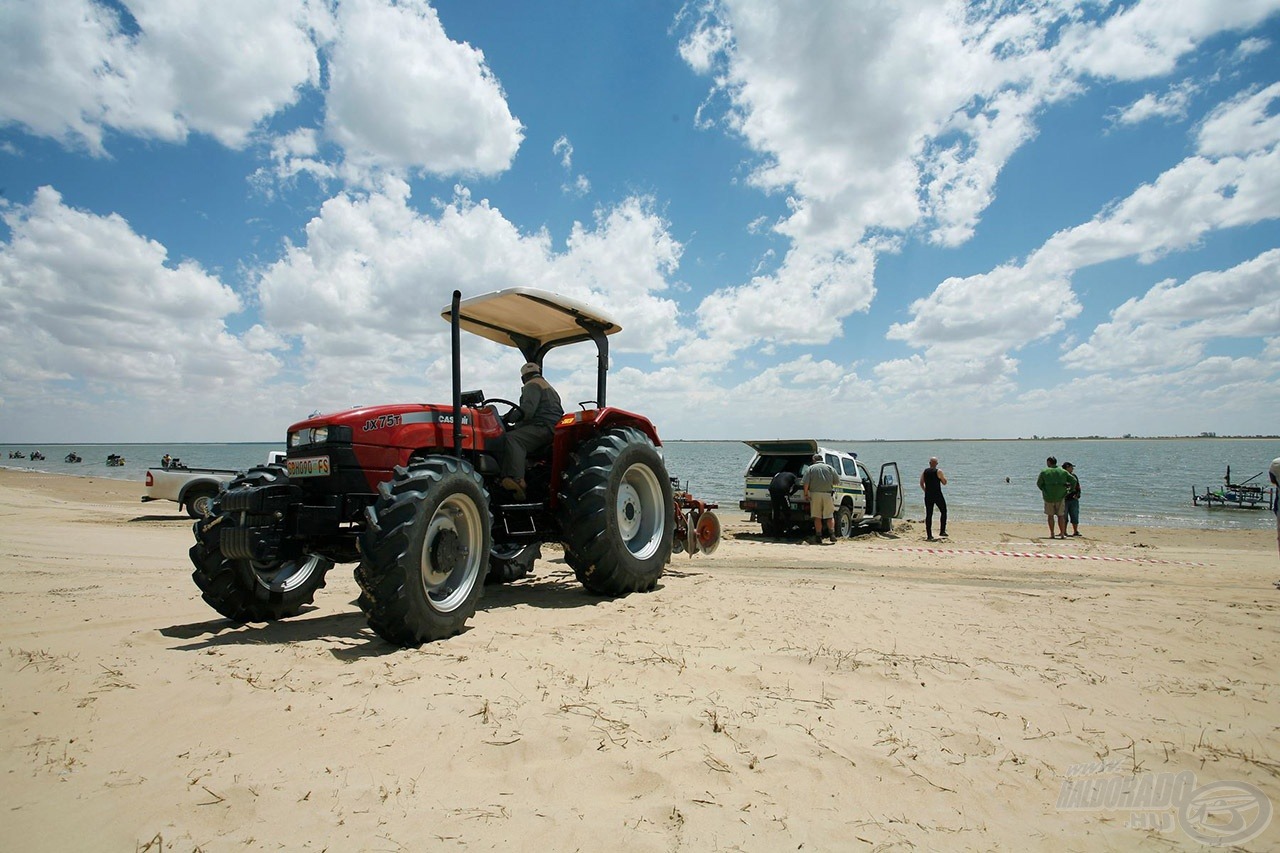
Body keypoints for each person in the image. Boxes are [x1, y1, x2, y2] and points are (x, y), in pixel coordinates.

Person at [497, 361, 563, 500]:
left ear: (523, 378)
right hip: (552, 427)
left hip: (543, 427)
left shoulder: (532, 385)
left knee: (512, 438)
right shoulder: (548, 387)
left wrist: (507, 418)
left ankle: (517, 480)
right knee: (515, 434)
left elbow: (527, 411)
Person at [801, 453, 839, 544]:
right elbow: (836, 481)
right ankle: (832, 534)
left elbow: (806, 483)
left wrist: (806, 494)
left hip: (815, 494)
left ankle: (818, 536)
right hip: (827, 494)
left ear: (814, 460)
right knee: (829, 515)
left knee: (817, 516)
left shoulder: (810, 468)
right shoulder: (830, 468)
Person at [1036, 456, 1073, 539]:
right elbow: (1073, 480)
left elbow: (1039, 483)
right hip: (1060, 496)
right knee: (1061, 516)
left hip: (1048, 497)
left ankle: (1052, 533)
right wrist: (1069, 490)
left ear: (1049, 462)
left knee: (1050, 516)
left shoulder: (1044, 471)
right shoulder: (1063, 471)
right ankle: (1062, 534)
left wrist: (1044, 490)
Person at [919, 456, 948, 541]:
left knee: (929, 514)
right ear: (936, 464)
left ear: (930, 463)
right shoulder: (938, 471)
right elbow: (944, 482)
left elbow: (921, 483)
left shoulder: (925, 471)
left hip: (928, 495)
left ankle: (929, 535)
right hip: (937, 494)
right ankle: (942, 531)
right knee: (943, 511)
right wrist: (943, 478)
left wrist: (925, 491)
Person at [768, 469, 800, 533]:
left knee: (776, 510)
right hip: (782, 490)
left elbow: (773, 481)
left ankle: (776, 531)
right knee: (786, 510)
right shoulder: (793, 476)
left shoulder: (778, 474)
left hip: (772, 489)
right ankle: (789, 529)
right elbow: (797, 485)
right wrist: (790, 493)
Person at [1062, 462, 1082, 537]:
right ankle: (1063, 531)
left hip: (1073, 499)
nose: (1072, 469)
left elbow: (1078, 487)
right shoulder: (1062, 476)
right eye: (1071, 467)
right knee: (1064, 516)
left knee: (1075, 515)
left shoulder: (1074, 476)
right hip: (1064, 499)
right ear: (1067, 467)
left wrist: (1078, 494)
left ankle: (1075, 531)